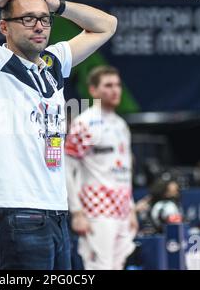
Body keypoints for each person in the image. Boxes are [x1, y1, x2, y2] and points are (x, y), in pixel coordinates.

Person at [0, 0, 117, 269]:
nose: (39, 26)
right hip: (16, 211)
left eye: (44, 19)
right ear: (4, 27)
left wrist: (54, 3)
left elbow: (107, 25)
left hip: (56, 211)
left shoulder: (53, 62)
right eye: (27, 19)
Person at [65, 66, 138, 270]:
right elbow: (66, 168)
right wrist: (77, 212)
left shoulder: (121, 125)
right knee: (100, 267)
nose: (115, 90)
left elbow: (126, 171)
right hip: (96, 210)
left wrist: (131, 209)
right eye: (108, 85)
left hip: (122, 209)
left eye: (117, 85)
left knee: (118, 265)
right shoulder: (84, 124)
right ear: (93, 90)